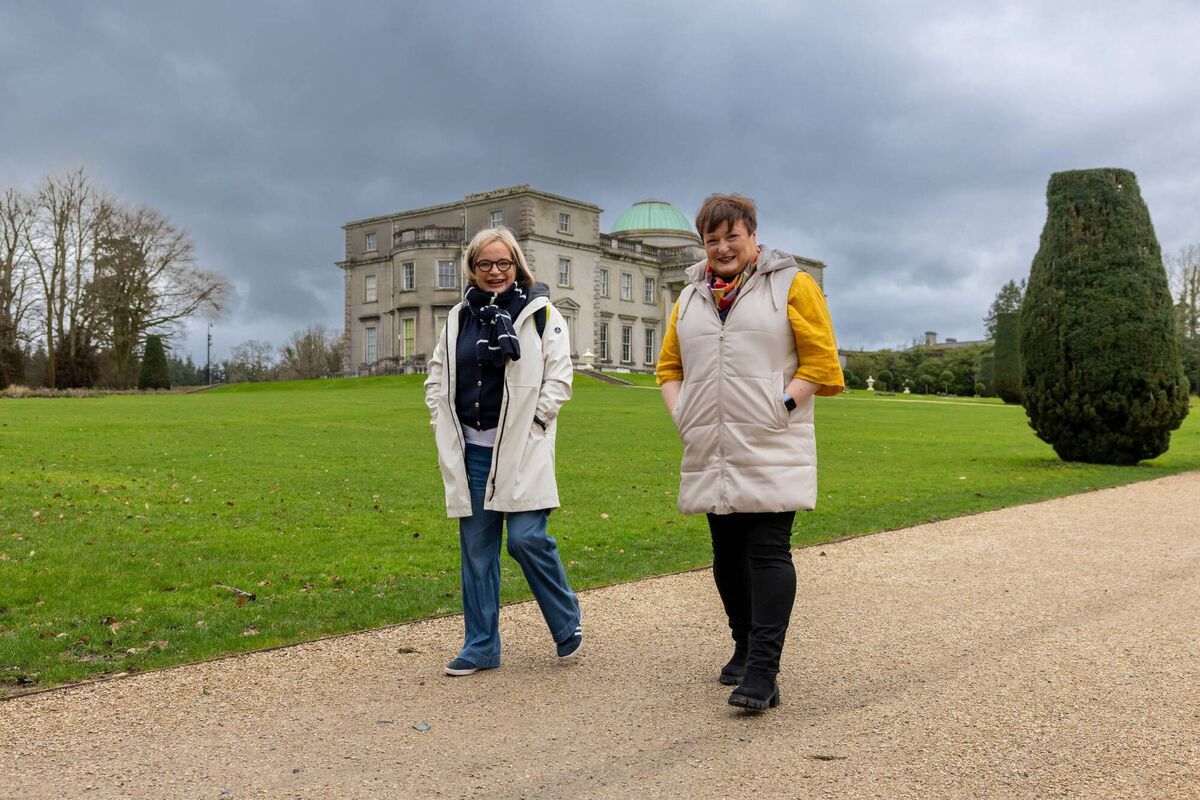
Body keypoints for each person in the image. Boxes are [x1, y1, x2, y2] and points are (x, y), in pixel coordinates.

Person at [656, 193, 844, 711]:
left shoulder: (792, 283)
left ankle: (763, 671)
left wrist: (780, 405)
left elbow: (822, 364)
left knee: (766, 551)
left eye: (730, 236)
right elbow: (668, 368)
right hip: (710, 444)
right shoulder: (691, 294)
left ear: (752, 235)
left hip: (770, 438)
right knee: (727, 557)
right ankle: (742, 643)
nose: (721, 248)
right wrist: (683, 414)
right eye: (711, 240)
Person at [424, 226, 582, 676]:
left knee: (527, 538)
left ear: (517, 266)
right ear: (472, 269)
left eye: (503, 263)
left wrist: (535, 424)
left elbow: (560, 378)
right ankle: (480, 646)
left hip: (522, 448)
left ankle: (566, 616)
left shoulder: (540, 313)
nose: (495, 272)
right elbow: (438, 375)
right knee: (477, 551)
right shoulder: (458, 317)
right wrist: (440, 418)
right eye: (485, 264)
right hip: (472, 451)